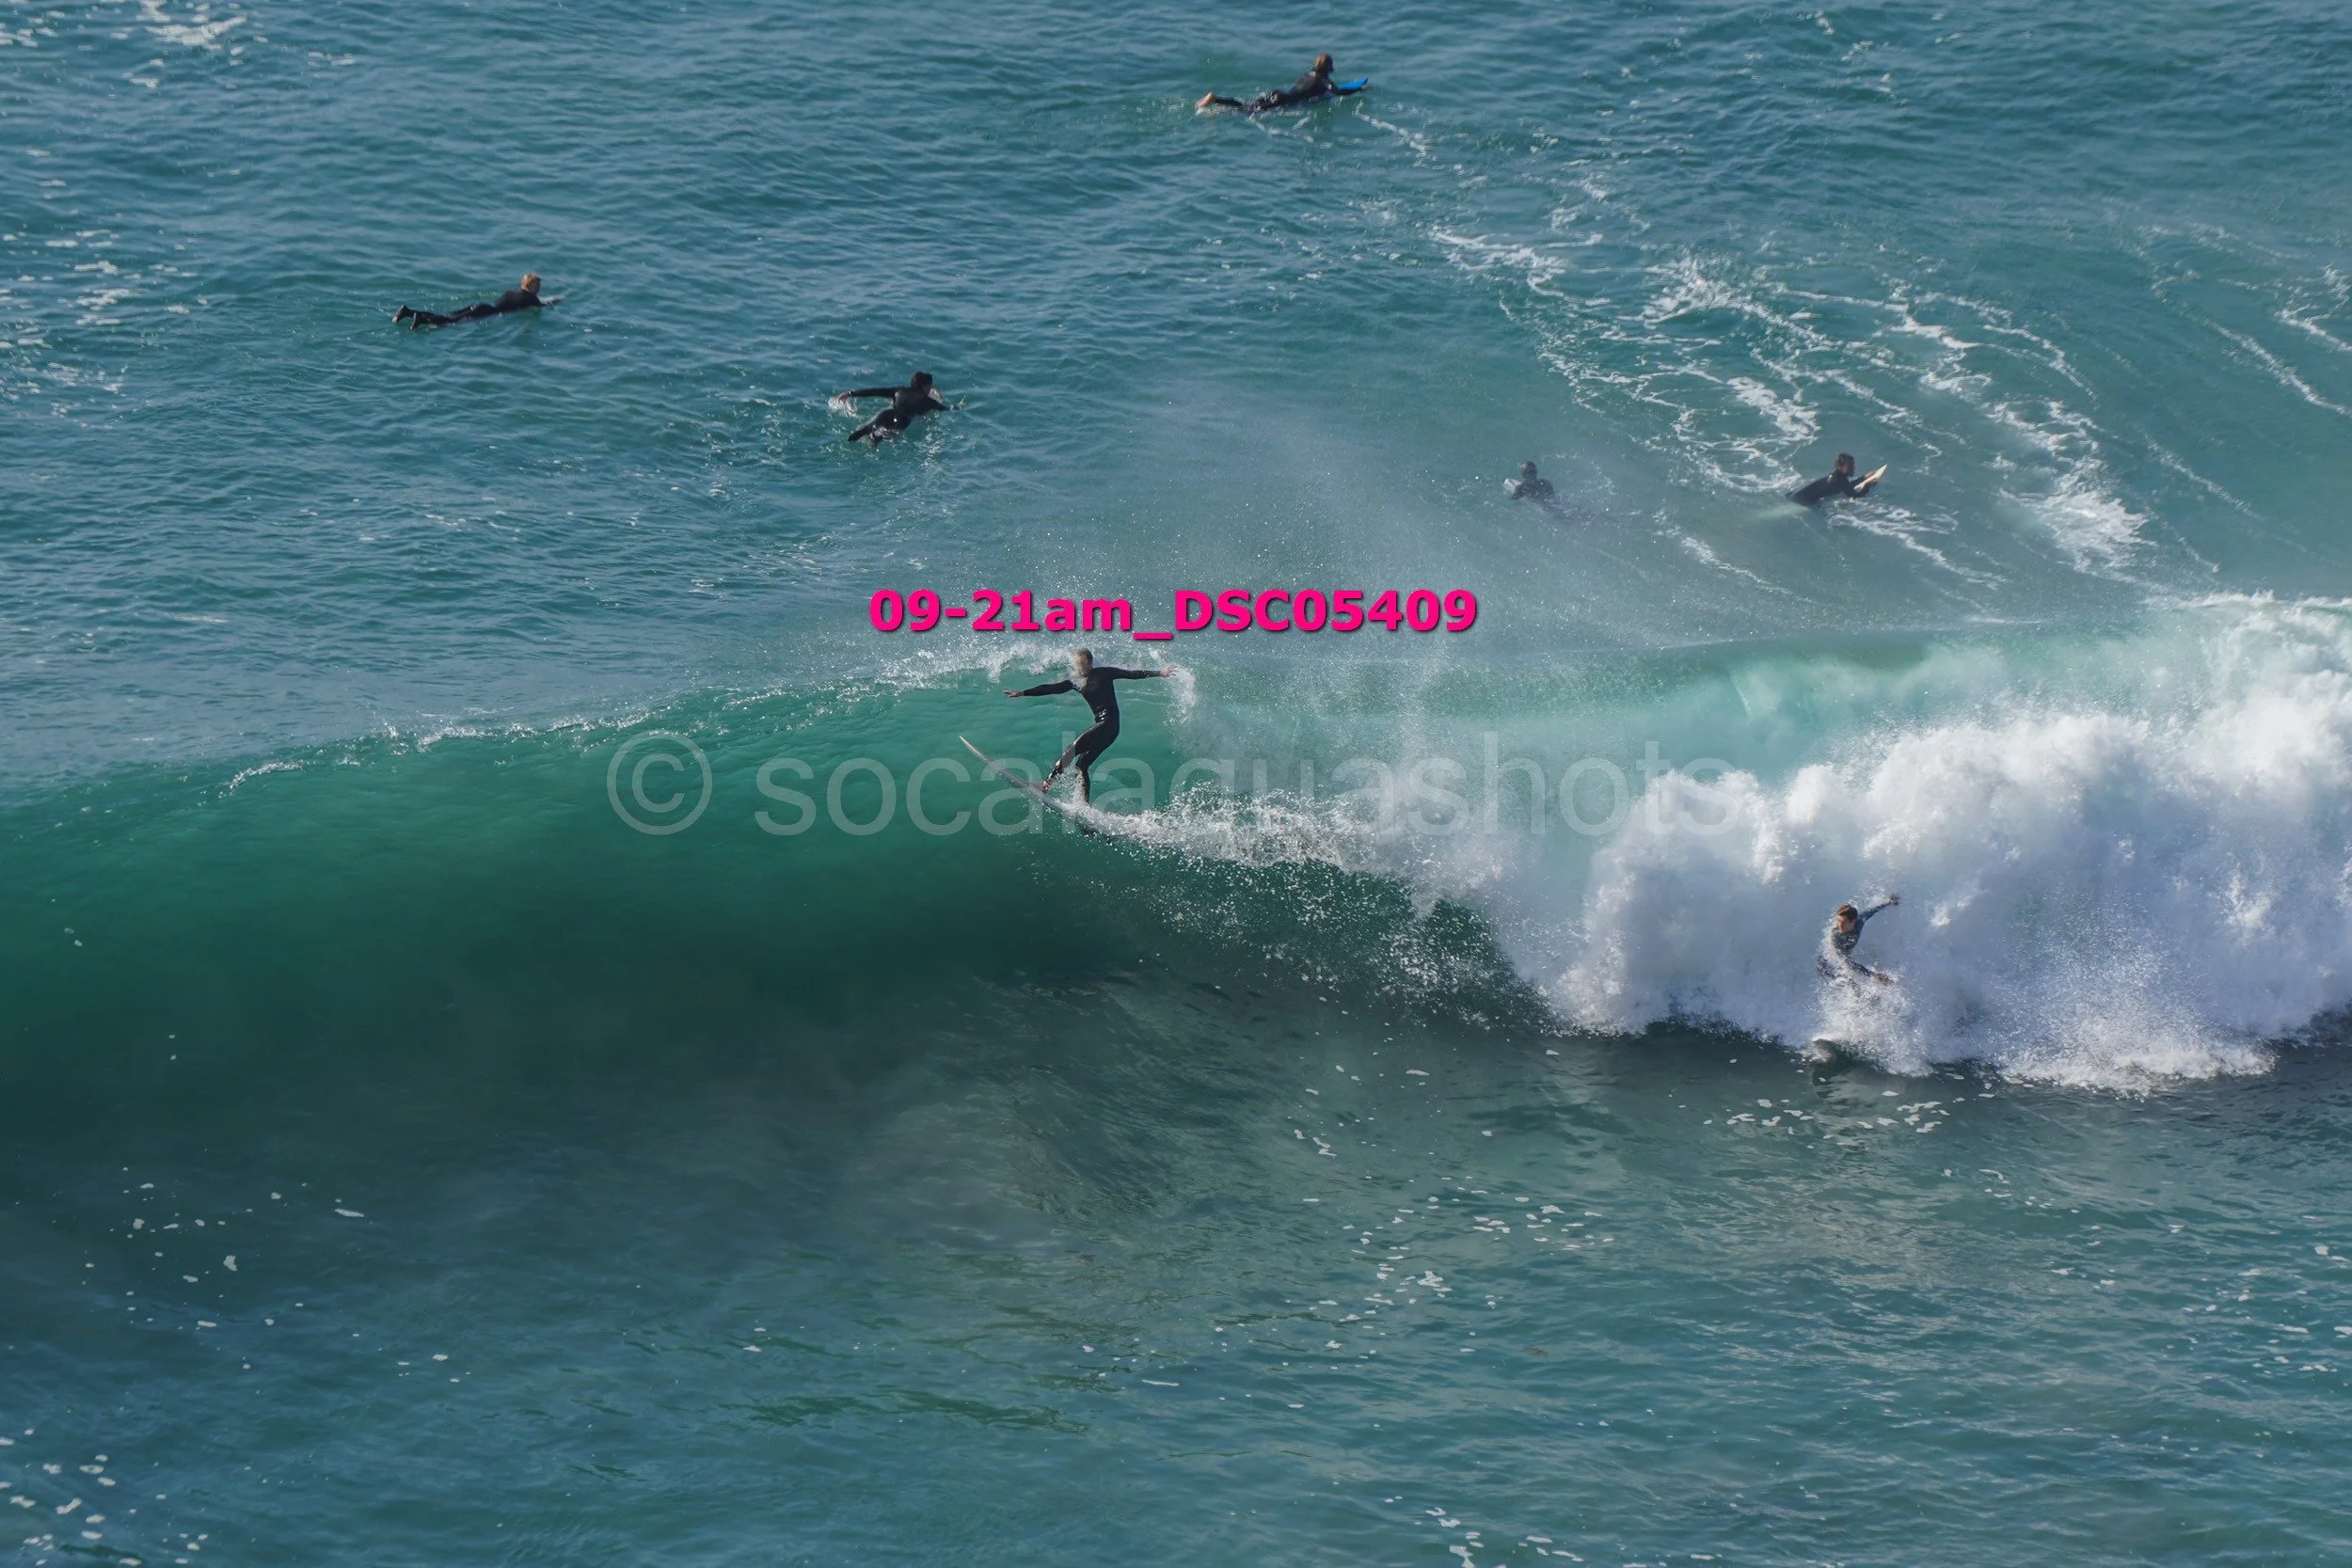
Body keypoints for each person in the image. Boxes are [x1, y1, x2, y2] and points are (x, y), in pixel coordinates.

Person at [1003, 648, 1171, 803]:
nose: (1081, 668)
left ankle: (1046, 785)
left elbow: (1132, 674)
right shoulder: (1076, 682)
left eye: (1083, 664)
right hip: (1106, 728)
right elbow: (1050, 688)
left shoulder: (1103, 673)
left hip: (1108, 725)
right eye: (1078, 664)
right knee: (1081, 765)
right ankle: (1084, 804)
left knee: (1072, 749)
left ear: (1090, 662)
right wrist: (1023, 693)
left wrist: (1159, 673)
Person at [1196, 53, 1363, 115]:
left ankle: (1217, 103)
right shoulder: (1324, 80)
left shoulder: (1308, 74)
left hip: (1278, 93)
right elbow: (1338, 92)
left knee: (1247, 105)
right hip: (1283, 101)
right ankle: (1215, 100)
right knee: (1247, 110)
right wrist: (1359, 89)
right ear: (1329, 67)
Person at [395, 273, 548, 329]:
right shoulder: (530, 298)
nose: (539, 289)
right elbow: (542, 305)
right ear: (529, 286)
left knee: (448, 315)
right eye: (537, 286)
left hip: (481, 306)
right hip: (486, 311)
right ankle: (420, 319)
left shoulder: (510, 292)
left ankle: (408, 312)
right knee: (451, 322)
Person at [837, 372, 950, 445]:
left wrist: (851, 394)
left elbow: (875, 392)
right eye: (930, 386)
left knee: (871, 426)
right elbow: (945, 409)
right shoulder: (928, 401)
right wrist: (959, 407)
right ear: (926, 387)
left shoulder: (899, 391)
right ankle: (876, 437)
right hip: (903, 420)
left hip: (887, 413)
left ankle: (860, 435)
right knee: (888, 433)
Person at [1820, 895, 1900, 984]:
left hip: (1843, 962)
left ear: (1853, 921)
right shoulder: (1836, 936)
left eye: (1843, 922)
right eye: (1838, 921)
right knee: (1850, 984)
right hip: (1829, 965)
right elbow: (1846, 962)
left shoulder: (1859, 922)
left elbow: (1871, 911)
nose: (1839, 925)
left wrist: (1889, 902)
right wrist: (1874, 975)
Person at [1789, 453, 1880, 507]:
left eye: (1853, 465)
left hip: (1797, 494)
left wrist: (1864, 477)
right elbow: (1854, 496)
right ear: (1839, 467)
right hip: (1802, 500)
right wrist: (1868, 485)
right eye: (1850, 466)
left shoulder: (1836, 477)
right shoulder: (1839, 481)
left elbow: (1847, 486)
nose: (1853, 468)